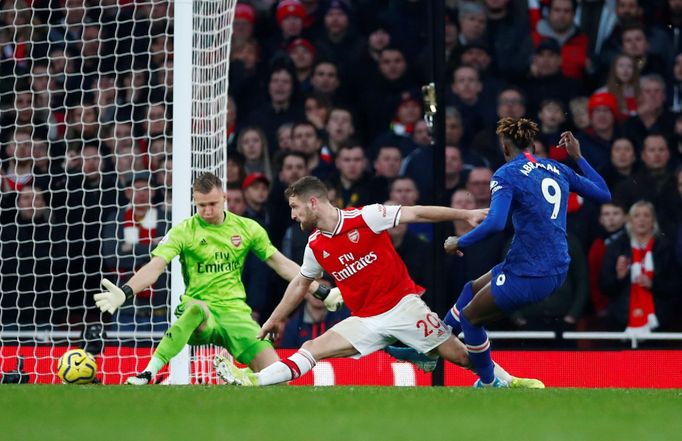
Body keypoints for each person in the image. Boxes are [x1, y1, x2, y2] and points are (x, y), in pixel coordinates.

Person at [215, 176, 543, 388]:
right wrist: (274, 319)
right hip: (365, 320)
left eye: (295, 207)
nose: (293, 215)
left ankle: (509, 382)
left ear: (313, 202)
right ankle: (253, 382)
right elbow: (300, 284)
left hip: (404, 307)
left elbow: (416, 213)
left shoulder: (366, 217)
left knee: (460, 356)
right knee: (311, 348)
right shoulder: (315, 245)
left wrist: (465, 214)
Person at [93, 172, 340, 384]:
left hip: (236, 314)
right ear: (194, 202)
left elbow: (282, 265)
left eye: (213, 203)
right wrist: (125, 291)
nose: (208, 211)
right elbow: (155, 266)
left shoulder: (247, 228)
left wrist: (322, 291)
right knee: (195, 310)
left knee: (275, 375)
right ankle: (149, 371)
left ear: (224, 198)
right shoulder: (184, 230)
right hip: (202, 314)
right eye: (202, 206)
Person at [438, 118, 611, 386]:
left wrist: (459, 242)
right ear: (532, 144)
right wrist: (578, 157)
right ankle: (437, 340)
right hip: (546, 264)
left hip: (531, 271)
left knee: (472, 320)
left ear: (505, 149)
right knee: (471, 289)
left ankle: (488, 383)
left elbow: (496, 223)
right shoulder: (556, 168)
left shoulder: (507, 173)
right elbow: (603, 193)